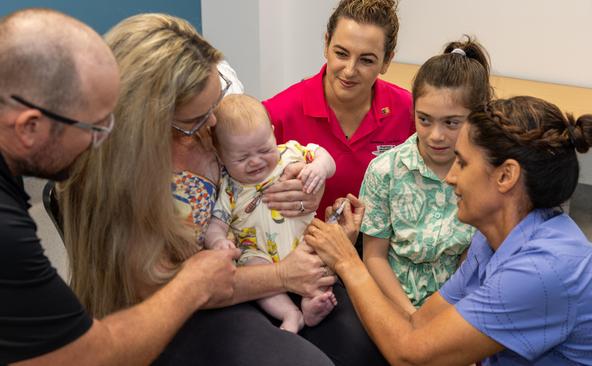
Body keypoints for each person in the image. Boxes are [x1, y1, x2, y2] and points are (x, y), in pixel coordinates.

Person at [59, 13, 387, 366]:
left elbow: (258, 158)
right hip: (188, 304)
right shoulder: (123, 181)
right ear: (148, 122)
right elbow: (168, 287)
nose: (213, 124)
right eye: (194, 122)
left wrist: (301, 190)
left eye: (214, 106)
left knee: (364, 346)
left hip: (251, 269)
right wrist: (280, 275)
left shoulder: (210, 122)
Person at [305, 96, 592, 365]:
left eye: (463, 162)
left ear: (506, 176)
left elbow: (408, 353)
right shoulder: (494, 239)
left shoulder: (542, 270)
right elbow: (420, 324)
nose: (452, 176)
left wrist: (349, 262)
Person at [0, 9, 238, 365]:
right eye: (96, 128)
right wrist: (194, 284)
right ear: (29, 127)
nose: (102, 141)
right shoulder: (7, 234)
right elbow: (87, 357)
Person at [360, 37, 490, 313]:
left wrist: (444, 312)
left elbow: (472, 257)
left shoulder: (486, 175)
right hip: (392, 302)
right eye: (424, 119)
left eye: (451, 123)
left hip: (458, 300)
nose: (436, 136)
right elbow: (374, 257)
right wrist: (410, 315)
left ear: (477, 118)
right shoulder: (385, 171)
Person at [262, 0, 414, 226]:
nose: (350, 70)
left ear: (387, 61)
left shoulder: (410, 112)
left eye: (366, 60)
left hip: (382, 251)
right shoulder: (277, 114)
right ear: (326, 45)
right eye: (341, 54)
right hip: (302, 250)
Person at [208, 94, 337, 333]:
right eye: (242, 157)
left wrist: (319, 167)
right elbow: (216, 223)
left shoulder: (289, 153)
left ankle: (312, 302)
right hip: (259, 254)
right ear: (221, 156)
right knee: (250, 269)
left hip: (304, 239)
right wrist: (217, 241)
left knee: (325, 252)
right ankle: (290, 313)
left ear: (274, 133)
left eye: (264, 149)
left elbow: (325, 157)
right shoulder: (229, 187)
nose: (256, 161)